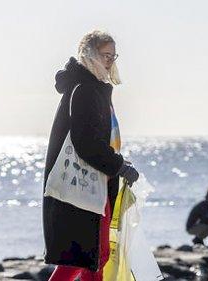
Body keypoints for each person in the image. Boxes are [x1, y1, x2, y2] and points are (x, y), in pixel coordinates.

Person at [43, 30, 140, 281]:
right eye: (104, 55)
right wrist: (118, 165)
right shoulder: (86, 89)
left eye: (113, 55)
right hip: (85, 188)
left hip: (92, 184)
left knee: (92, 257)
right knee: (88, 257)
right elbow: (86, 142)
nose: (109, 61)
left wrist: (117, 164)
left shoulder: (91, 87)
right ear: (89, 54)